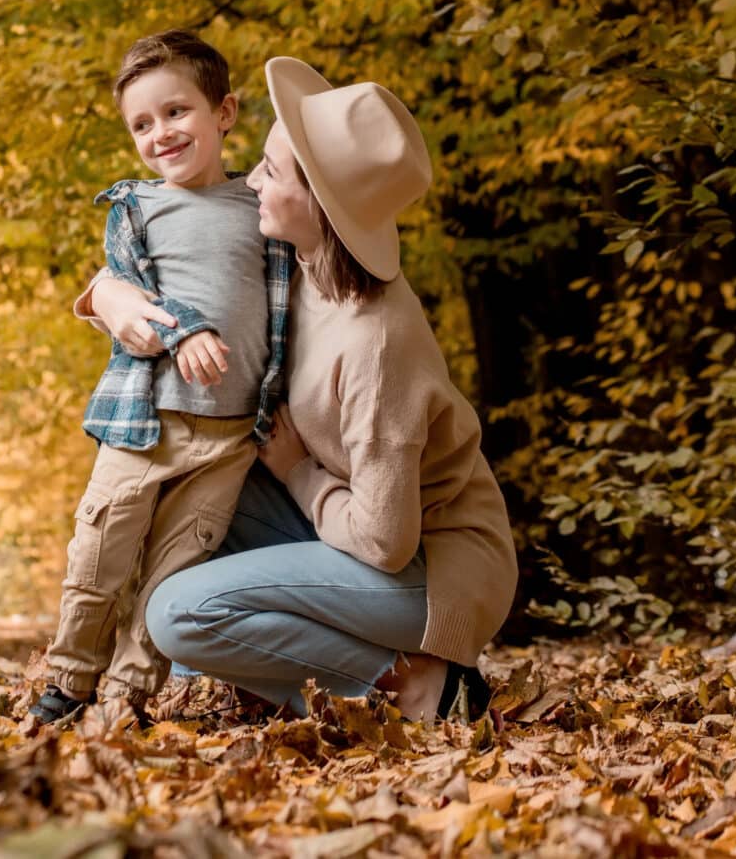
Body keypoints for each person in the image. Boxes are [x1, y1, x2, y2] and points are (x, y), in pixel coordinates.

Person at [88, 59, 517, 720]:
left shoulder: (377, 344)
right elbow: (180, 254)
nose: (252, 179)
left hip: (433, 566)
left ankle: (413, 687)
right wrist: (108, 294)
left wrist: (297, 474)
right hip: (363, 527)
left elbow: (384, 540)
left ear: (318, 200)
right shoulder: (295, 266)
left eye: (272, 171)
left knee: (177, 615)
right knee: (181, 497)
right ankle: (293, 679)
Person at [30, 31, 294, 724]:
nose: (160, 133)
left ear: (224, 112)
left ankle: (126, 696)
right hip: (142, 424)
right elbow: (128, 292)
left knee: (176, 565)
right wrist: (186, 329)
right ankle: (69, 680)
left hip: (230, 436)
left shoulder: (262, 208)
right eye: (141, 124)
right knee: (100, 551)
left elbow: (288, 303)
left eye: (176, 112)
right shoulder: (137, 209)